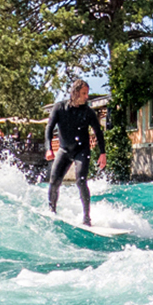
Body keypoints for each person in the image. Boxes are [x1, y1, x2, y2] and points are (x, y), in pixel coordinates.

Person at [45, 78, 107, 226]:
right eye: (84, 93)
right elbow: (49, 128)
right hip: (64, 150)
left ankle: (87, 218)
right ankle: (51, 211)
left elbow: (98, 132)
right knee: (54, 182)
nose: (87, 96)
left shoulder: (88, 112)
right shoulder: (60, 108)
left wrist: (102, 153)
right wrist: (48, 148)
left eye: (87, 93)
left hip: (81, 150)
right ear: (75, 92)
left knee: (80, 181)